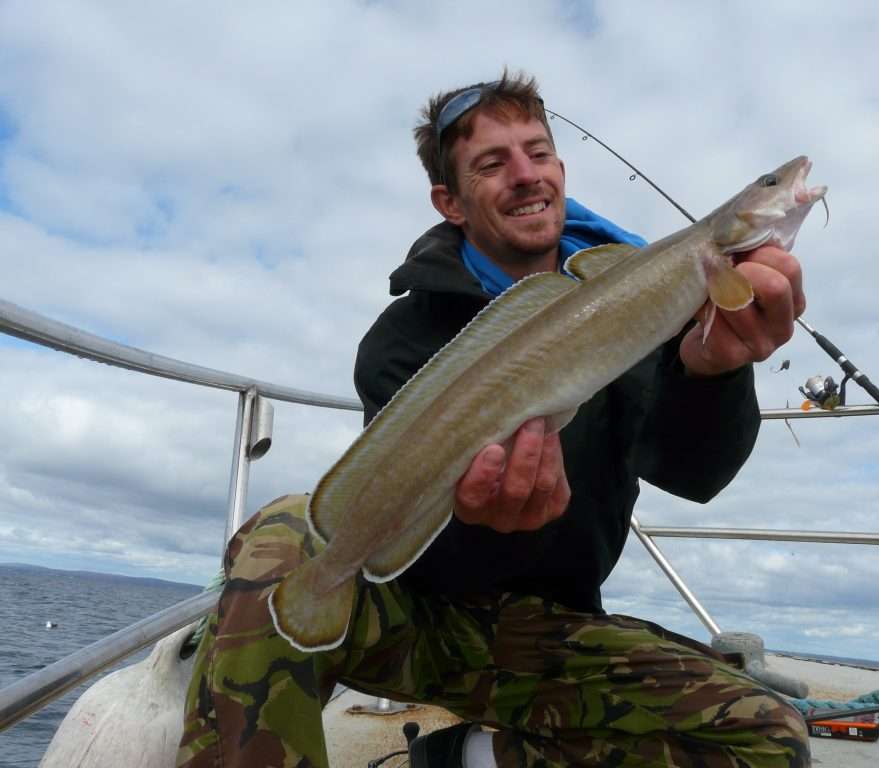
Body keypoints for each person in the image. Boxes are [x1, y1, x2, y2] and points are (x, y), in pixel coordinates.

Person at [177, 71, 811, 768]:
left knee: (770, 738)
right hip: (422, 618)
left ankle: (474, 758)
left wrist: (715, 374)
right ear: (450, 202)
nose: (524, 175)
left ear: (560, 171)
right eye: (491, 162)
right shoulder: (402, 339)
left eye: (538, 153)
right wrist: (479, 523)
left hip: (556, 629)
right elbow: (402, 525)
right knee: (280, 540)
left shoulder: (650, 297)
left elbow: (693, 473)